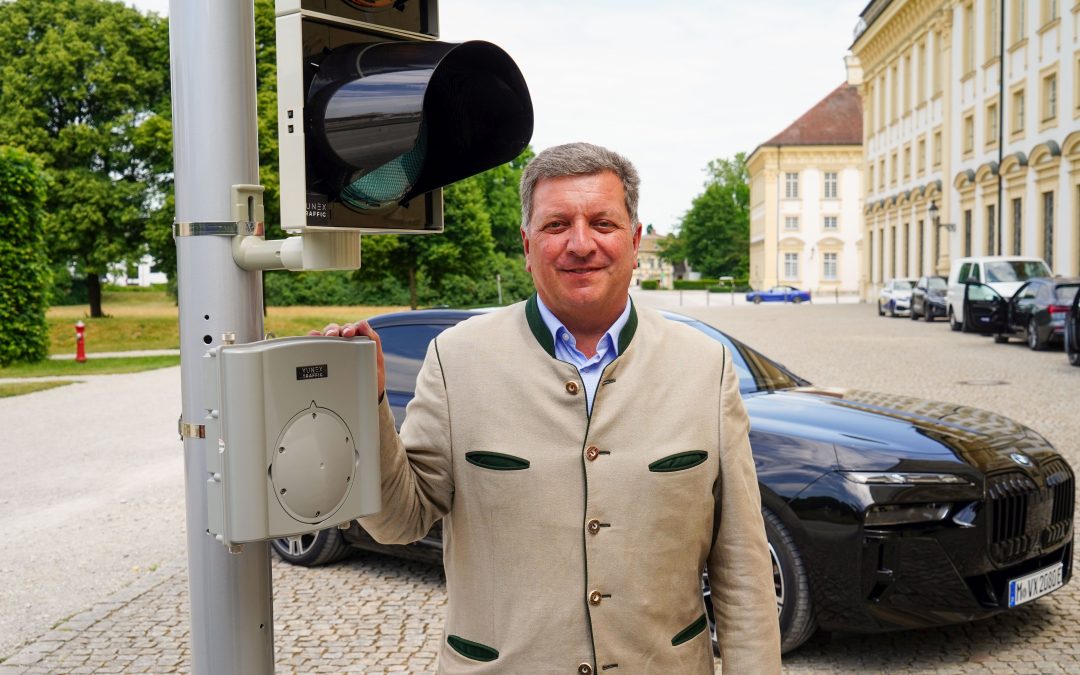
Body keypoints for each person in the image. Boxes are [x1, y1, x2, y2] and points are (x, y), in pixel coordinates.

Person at [316, 142, 782, 674]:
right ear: (526, 244)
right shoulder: (457, 358)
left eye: (602, 223)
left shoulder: (705, 366)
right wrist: (365, 403)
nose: (580, 244)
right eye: (557, 224)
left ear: (634, 240)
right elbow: (399, 522)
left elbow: (742, 565)